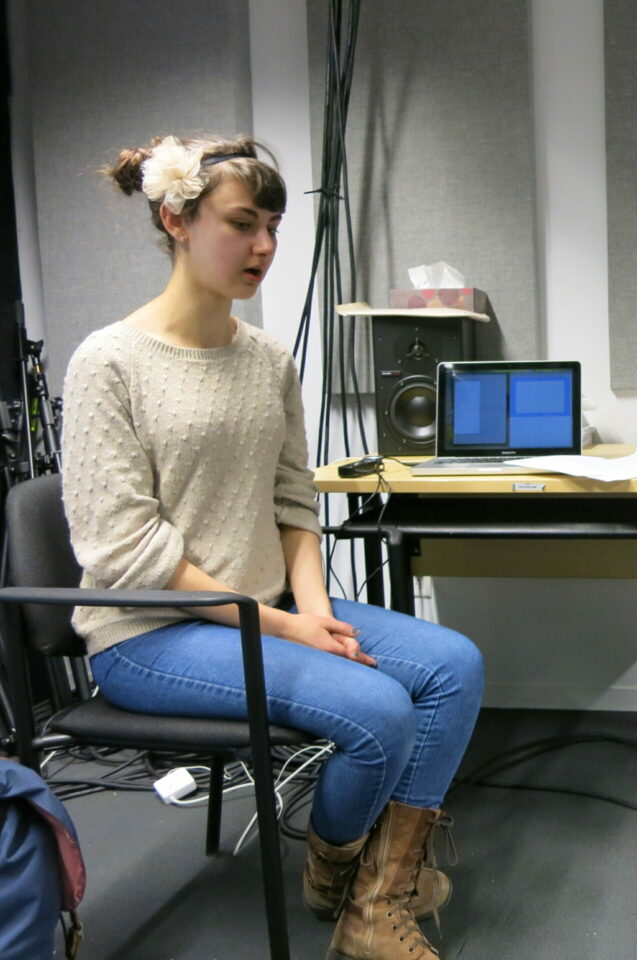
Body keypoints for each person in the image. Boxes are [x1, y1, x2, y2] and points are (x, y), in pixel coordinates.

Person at [60, 133, 484, 960]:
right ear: (176, 218)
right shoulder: (108, 362)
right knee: (378, 710)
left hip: (270, 608)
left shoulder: (266, 359)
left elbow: (295, 500)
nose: (263, 246)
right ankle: (344, 876)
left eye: (275, 226)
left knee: (454, 666)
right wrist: (286, 628)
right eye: (242, 223)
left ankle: (366, 898)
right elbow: (127, 549)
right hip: (150, 631)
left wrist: (317, 613)